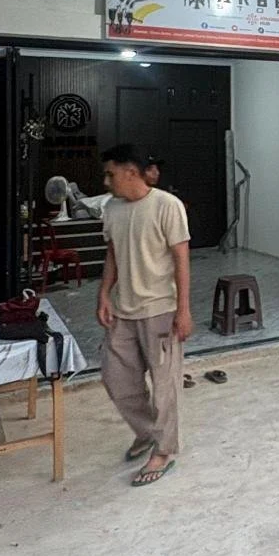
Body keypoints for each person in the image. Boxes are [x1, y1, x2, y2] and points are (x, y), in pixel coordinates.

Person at [97, 142, 193, 486]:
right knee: (116, 379)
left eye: (111, 174)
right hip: (123, 310)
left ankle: (164, 450)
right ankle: (148, 430)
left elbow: (181, 259)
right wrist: (104, 294)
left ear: (130, 172)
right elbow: (112, 253)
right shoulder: (112, 208)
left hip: (160, 310)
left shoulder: (168, 206)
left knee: (165, 386)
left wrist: (183, 310)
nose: (106, 181)